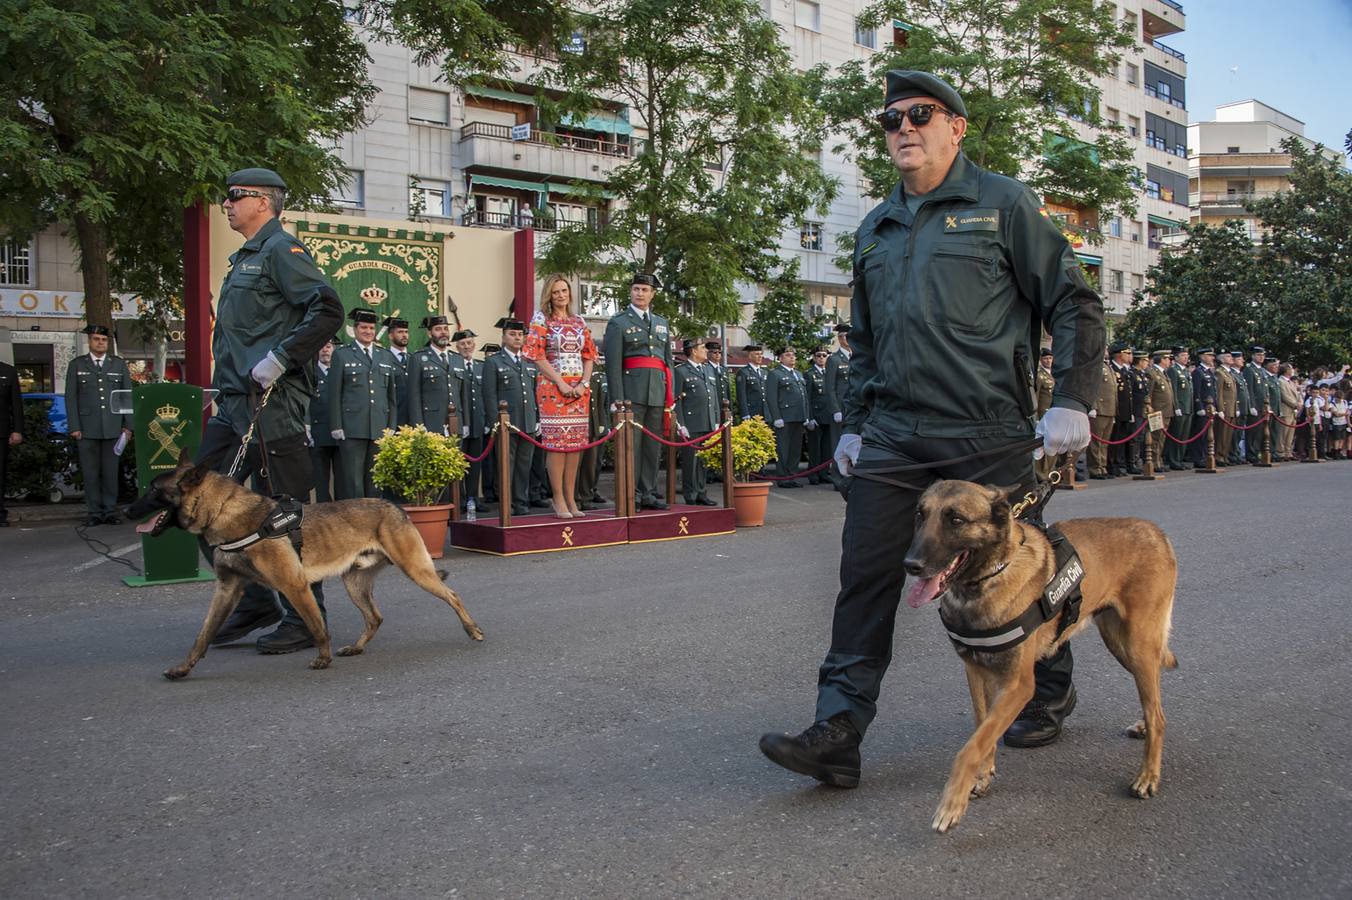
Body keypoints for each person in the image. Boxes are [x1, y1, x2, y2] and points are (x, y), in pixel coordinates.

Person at [759, 71, 1103, 788]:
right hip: (893, 432)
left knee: (1018, 570)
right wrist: (854, 425)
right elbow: (866, 342)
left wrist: (1073, 395)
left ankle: (1047, 681)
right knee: (865, 572)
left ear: (957, 127)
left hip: (987, 429)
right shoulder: (876, 227)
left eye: (920, 114)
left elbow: (1073, 302)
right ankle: (839, 730)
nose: (903, 127)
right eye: (891, 120)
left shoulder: (1003, 204)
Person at [199, 168, 343, 654]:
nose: (227, 203)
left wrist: (280, 358)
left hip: (272, 403)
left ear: (263, 201)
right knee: (194, 497)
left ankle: (308, 618)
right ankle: (258, 597)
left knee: (285, 512)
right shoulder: (245, 257)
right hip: (234, 401)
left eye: (235, 196)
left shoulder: (282, 251)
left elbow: (327, 310)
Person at [524, 274, 599, 519]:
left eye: (564, 290)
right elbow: (536, 355)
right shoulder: (541, 319)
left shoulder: (578, 321)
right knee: (557, 445)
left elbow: (589, 355)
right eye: (556, 291)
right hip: (552, 390)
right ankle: (557, 498)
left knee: (575, 445)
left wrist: (584, 383)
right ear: (549, 294)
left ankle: (571, 497)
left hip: (579, 390)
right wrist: (559, 382)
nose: (561, 295)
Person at [603, 273, 673, 510]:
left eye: (644, 289)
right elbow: (613, 365)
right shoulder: (618, 322)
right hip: (631, 395)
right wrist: (617, 399)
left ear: (653, 294)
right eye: (636, 289)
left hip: (657, 392)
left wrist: (669, 395)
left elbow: (667, 362)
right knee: (631, 446)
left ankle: (648, 492)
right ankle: (629, 494)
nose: (639, 293)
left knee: (653, 447)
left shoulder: (662, 322)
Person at [64, 324, 132, 526]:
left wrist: (128, 426)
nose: (100, 343)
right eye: (96, 339)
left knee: (111, 473)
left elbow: (126, 398)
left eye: (103, 340)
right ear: (90, 341)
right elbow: (71, 397)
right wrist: (74, 426)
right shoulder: (77, 365)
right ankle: (94, 512)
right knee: (91, 473)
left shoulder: (118, 364)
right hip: (87, 429)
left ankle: (110, 511)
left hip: (113, 427)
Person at [328, 308, 398, 500]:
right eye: (364, 328)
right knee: (353, 480)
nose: (368, 331)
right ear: (355, 329)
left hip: (379, 426)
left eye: (371, 328)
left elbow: (391, 396)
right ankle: (357, 523)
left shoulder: (384, 356)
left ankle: (373, 520)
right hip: (352, 427)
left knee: (376, 479)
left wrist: (391, 425)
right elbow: (334, 393)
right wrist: (337, 425)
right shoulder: (342, 355)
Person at [483, 319, 540, 516]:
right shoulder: (494, 362)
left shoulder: (529, 361)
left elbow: (534, 392)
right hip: (507, 423)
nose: (517, 338)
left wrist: (537, 418)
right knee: (506, 465)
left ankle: (521, 502)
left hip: (528, 422)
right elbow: (489, 396)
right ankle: (506, 503)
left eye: (520, 335)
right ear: (503, 337)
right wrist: (495, 423)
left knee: (525, 465)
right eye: (512, 335)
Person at [406, 314, 466, 440]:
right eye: (438, 329)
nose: (443, 333)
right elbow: (414, 396)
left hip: (456, 424)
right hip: (431, 424)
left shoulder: (458, 359)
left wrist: (466, 423)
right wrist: (419, 426)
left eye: (445, 329)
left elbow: (463, 395)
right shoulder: (418, 358)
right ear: (429, 334)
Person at [674, 339, 718, 506]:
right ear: (693, 351)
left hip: (707, 421)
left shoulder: (707, 369)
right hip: (691, 423)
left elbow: (713, 397)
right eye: (702, 348)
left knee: (703, 461)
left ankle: (701, 491)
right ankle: (690, 493)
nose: (706, 351)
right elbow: (676, 400)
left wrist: (715, 419)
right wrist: (681, 423)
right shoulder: (681, 371)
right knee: (691, 461)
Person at [765, 347, 808, 487]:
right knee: (783, 448)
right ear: (780, 358)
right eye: (788, 355)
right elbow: (771, 398)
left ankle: (792, 475)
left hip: (798, 416)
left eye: (793, 355)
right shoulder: (775, 374)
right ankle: (783, 477)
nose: (792, 357)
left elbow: (804, 397)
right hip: (784, 417)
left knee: (795, 449)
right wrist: (776, 417)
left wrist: (806, 415)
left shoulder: (798, 374)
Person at [455, 328, 488, 509]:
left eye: (469, 343)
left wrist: (487, 421)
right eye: (462, 344)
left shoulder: (481, 366)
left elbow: (486, 394)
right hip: (460, 422)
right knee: (458, 463)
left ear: (474, 345)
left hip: (477, 422)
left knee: (475, 463)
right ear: (457, 346)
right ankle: (459, 499)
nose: (466, 347)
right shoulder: (453, 364)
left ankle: (473, 498)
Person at [575, 360, 610, 511]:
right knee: (575, 465)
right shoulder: (573, 365)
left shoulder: (596, 370)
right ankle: (574, 498)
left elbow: (602, 401)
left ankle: (586, 496)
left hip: (593, 423)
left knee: (590, 463)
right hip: (576, 420)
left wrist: (603, 423)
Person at [309, 337, 340, 502]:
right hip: (318, 435)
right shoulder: (311, 373)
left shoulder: (340, 371)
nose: (325, 350)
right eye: (321, 347)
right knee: (321, 483)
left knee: (343, 482)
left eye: (328, 346)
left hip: (341, 435)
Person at [824, 324, 852, 488]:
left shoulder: (855, 357)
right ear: (839, 339)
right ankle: (837, 479)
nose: (847, 340)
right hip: (841, 409)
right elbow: (830, 388)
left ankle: (849, 476)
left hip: (854, 408)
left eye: (849, 336)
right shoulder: (834, 360)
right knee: (838, 444)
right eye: (844, 336)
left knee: (852, 443)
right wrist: (835, 409)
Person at [1087, 350, 1118, 479]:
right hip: (1100, 409)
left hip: (1109, 410)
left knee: (1104, 442)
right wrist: (1092, 406)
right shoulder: (1095, 366)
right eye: (1104, 350)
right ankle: (1095, 468)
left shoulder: (1107, 367)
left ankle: (1102, 466)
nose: (1106, 352)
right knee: (1096, 442)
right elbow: (1091, 387)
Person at [0, 359, 24, 527]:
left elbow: (16, 404)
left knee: (0, 475)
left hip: (1, 432)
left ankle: (0, 514)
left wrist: (17, 429)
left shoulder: (8, 371)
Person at [805, 348, 832, 484]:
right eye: (818, 356)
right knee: (815, 448)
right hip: (816, 416)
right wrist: (809, 417)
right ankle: (813, 474)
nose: (821, 358)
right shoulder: (809, 374)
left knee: (827, 447)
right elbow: (807, 398)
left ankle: (824, 473)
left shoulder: (830, 373)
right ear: (814, 357)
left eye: (824, 355)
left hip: (829, 416)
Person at [1108, 342, 1135, 476]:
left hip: (1125, 411)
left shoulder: (1125, 370)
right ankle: (1111, 465)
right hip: (1116, 411)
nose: (1130, 356)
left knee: (1122, 439)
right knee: (1114, 440)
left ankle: (1119, 464)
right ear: (1119, 354)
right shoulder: (1112, 369)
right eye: (1127, 353)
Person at [1165, 346, 1193, 470]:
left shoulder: (1186, 371)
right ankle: (1173, 459)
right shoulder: (1173, 370)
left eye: (1186, 355)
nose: (1186, 358)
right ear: (1175, 358)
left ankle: (1180, 459)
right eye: (1182, 355)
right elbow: (1174, 391)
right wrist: (1176, 406)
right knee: (1176, 435)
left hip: (1188, 408)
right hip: (1180, 408)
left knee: (1184, 436)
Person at [1190, 348, 1218, 467]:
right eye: (1209, 355)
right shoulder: (1198, 372)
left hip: (1210, 408)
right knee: (1200, 435)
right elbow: (1197, 391)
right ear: (1202, 357)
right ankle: (1199, 458)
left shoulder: (1209, 372)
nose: (1212, 358)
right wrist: (1199, 406)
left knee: (1208, 435)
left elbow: (1213, 392)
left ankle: (1207, 456)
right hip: (1203, 408)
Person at [1147, 350, 1175, 471]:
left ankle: (1158, 460)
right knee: (1155, 438)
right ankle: (1153, 461)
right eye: (1167, 359)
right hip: (1157, 411)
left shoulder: (1164, 373)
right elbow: (1149, 393)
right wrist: (1149, 407)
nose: (1169, 361)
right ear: (1162, 359)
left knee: (1161, 438)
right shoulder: (1153, 373)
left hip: (1166, 411)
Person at [383, 316, 413, 427]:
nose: (404, 335)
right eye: (400, 332)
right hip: (391, 419)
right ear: (390, 336)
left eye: (406, 332)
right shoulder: (383, 358)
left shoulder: (414, 359)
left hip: (412, 420)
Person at [734, 344, 769, 424]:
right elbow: (741, 395)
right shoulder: (743, 372)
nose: (760, 356)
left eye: (761, 354)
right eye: (757, 354)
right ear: (750, 356)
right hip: (752, 412)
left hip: (766, 413)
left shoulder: (765, 372)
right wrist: (745, 414)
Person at [1277, 362, 1301, 461]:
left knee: (1291, 433)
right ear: (1286, 370)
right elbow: (1284, 396)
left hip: (1293, 411)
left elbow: (1297, 394)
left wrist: (1299, 403)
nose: (1292, 370)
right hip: (1286, 409)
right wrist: (1295, 404)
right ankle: (1280, 452)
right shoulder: (1281, 381)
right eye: (1291, 369)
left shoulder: (1290, 382)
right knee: (1283, 432)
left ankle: (1288, 452)